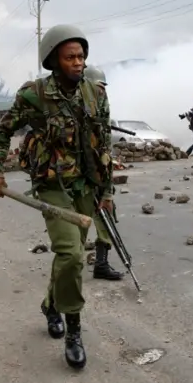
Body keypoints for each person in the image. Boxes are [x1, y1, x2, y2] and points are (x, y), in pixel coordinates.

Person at [0, 24, 114, 370]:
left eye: (82, 56)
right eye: (71, 57)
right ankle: (74, 331)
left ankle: (50, 305)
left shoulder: (96, 94)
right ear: (54, 61)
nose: (79, 62)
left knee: (67, 258)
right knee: (72, 255)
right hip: (53, 185)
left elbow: (103, 145)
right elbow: (3, 130)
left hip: (86, 186)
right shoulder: (35, 95)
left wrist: (108, 191)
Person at [83, 65, 124, 281]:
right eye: (97, 88)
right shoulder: (73, 107)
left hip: (96, 170)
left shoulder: (102, 107)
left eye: (103, 88)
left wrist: (107, 188)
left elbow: (105, 146)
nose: (102, 92)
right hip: (74, 175)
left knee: (106, 212)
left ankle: (101, 263)